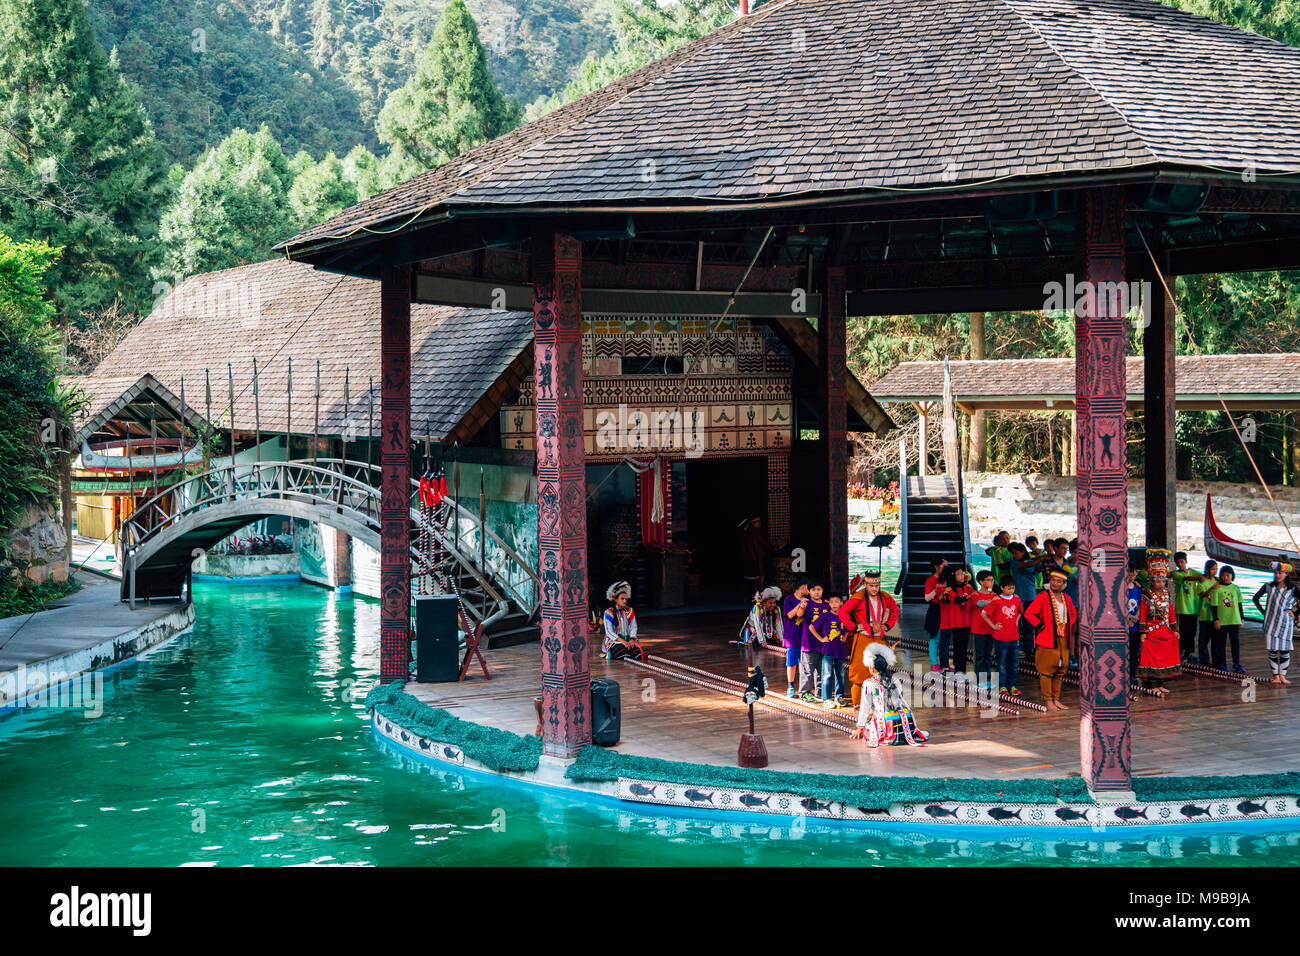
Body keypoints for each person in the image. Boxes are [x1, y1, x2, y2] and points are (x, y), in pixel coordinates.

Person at [838, 568, 899, 708]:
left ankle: (877, 703)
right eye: (871, 586)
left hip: (878, 639)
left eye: (877, 585)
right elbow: (843, 612)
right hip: (863, 639)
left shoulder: (884, 597)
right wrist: (853, 627)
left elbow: (895, 609)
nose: (874, 589)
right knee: (859, 672)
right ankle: (858, 704)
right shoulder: (858, 597)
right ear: (866, 584)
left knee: (879, 672)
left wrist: (888, 625)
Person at [851, 642, 929, 747]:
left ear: (873, 668)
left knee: (868, 730)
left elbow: (865, 706)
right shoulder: (895, 680)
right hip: (906, 720)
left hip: (888, 724)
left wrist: (860, 726)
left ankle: (885, 734)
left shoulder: (868, 684)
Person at [1023, 567, 1077, 711]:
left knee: (1060, 670)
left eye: (1058, 581)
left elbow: (1073, 613)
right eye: (1053, 580)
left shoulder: (1067, 598)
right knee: (1047, 671)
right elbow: (1029, 614)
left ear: (1064, 584)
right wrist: (1040, 625)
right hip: (1047, 638)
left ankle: (1056, 699)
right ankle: (1048, 701)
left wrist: (1065, 625)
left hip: (1063, 638)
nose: (1055, 583)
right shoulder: (1042, 596)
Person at [1136, 548, 1180, 695]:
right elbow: (1143, 614)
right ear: (1151, 581)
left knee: (1164, 658)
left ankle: (1160, 683)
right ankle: (1152, 684)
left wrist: (1175, 630)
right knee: (1151, 658)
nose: (1161, 583)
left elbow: (1171, 613)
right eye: (1158, 581)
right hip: (1152, 630)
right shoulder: (1146, 595)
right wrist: (1142, 632)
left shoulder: (1168, 594)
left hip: (1165, 630)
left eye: (1162, 580)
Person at [1254, 561, 1300, 685]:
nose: (1277, 575)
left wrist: (1295, 614)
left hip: (1286, 623)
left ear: (1286, 574)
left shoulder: (1292, 589)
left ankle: (1283, 676)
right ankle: (1275, 676)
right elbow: (1255, 598)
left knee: (1285, 651)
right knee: (1273, 651)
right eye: (1275, 573)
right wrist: (1263, 612)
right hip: (1271, 623)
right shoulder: (1269, 586)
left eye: (1280, 573)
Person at [981, 575, 1023, 696]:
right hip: (1001, 637)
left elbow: (1020, 611)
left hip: (1014, 636)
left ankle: (1012, 685)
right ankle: (1002, 686)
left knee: (1014, 662)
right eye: (1009, 588)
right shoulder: (997, 600)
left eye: (1013, 588)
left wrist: (1016, 621)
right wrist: (993, 626)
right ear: (1002, 588)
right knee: (1001, 662)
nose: (1011, 591)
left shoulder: (1016, 599)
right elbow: (984, 613)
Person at [810, 593, 849, 705]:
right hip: (828, 650)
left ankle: (839, 697)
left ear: (841, 603)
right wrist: (821, 639)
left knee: (840, 675)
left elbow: (848, 627)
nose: (834, 604)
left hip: (840, 650)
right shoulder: (825, 615)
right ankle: (826, 698)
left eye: (836, 601)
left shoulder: (844, 616)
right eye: (831, 602)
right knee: (827, 674)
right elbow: (811, 627)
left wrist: (845, 637)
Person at [1206, 565, 1245, 673]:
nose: (1225, 577)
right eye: (1223, 575)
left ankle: (1236, 664)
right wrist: (1216, 619)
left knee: (1235, 643)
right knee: (1221, 644)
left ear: (1232, 576)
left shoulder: (1236, 588)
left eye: (1228, 575)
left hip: (1234, 620)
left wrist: (1242, 619)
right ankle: (1222, 664)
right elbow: (1214, 606)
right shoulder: (1217, 589)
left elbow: (1240, 604)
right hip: (1222, 621)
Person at [1010, 542, 1045, 659]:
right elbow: (1029, 565)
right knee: (1017, 625)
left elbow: (1040, 567)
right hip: (1019, 598)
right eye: (1013, 553)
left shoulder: (1031, 563)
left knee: (1029, 625)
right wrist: (1041, 557)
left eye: (1016, 553)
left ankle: (1029, 648)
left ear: (1023, 552)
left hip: (1031, 597)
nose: (1014, 555)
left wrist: (1043, 558)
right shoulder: (1014, 563)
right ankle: (1017, 648)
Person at [937, 565, 974, 675]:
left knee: (963, 649)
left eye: (962, 573)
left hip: (967, 622)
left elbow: (976, 599)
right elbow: (957, 599)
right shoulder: (949, 590)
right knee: (957, 648)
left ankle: (962, 671)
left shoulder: (968, 588)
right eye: (959, 574)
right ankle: (954, 669)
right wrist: (970, 596)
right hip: (955, 623)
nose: (963, 575)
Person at [1168, 552, 1203, 663]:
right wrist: (1198, 578)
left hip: (1193, 608)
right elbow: (1188, 578)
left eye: (1182, 562)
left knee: (1192, 632)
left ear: (1186, 561)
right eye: (1178, 563)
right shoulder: (1176, 574)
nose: (1180, 564)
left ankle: (1189, 653)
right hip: (1181, 609)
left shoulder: (1193, 571)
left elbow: (1203, 577)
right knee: (1181, 631)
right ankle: (1179, 653)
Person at [782, 577, 811, 697]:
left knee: (803, 663)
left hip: (804, 636)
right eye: (808, 587)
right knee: (791, 663)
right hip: (792, 636)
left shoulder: (809, 600)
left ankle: (803, 687)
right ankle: (790, 686)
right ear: (802, 587)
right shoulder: (789, 599)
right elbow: (789, 615)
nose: (809, 590)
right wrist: (800, 604)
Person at [969, 570, 998, 690]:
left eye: (992, 580)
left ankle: (987, 679)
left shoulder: (994, 595)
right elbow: (980, 604)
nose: (991, 582)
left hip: (990, 629)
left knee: (988, 656)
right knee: (980, 656)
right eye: (989, 580)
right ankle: (979, 679)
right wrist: (993, 601)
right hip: (978, 629)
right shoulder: (975, 594)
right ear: (981, 582)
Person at [799, 580, 827, 701]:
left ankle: (819, 693)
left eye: (819, 590)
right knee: (808, 671)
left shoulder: (826, 605)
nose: (816, 592)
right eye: (813, 590)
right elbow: (799, 614)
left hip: (823, 643)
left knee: (821, 670)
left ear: (822, 591)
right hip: (809, 643)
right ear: (809, 591)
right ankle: (805, 693)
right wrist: (801, 607)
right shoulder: (806, 603)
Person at [602, 581, 644, 660]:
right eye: (622, 598)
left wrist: (632, 639)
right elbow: (609, 631)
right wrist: (622, 641)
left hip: (628, 639)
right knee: (623, 653)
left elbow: (633, 627)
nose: (625, 601)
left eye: (625, 599)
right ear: (615, 599)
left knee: (637, 654)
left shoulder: (629, 611)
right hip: (615, 641)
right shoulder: (608, 613)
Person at [922, 556, 947, 667]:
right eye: (944, 566)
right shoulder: (931, 580)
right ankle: (934, 663)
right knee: (935, 638)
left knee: (944, 639)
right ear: (936, 567)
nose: (946, 568)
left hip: (946, 610)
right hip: (936, 610)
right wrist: (935, 590)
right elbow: (927, 598)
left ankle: (944, 663)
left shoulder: (946, 579)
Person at [1195, 559, 1221, 665]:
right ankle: (1204, 660)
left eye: (1216, 569)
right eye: (1212, 569)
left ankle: (1216, 661)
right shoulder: (1202, 582)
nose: (1214, 571)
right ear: (1207, 570)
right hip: (1205, 614)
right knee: (1204, 640)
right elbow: (1202, 594)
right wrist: (1212, 588)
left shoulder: (1218, 581)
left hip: (1215, 615)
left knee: (1215, 640)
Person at [738, 516, 773, 590]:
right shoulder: (756, 531)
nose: (760, 524)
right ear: (754, 523)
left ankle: (747, 594)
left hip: (747, 557)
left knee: (748, 576)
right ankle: (756, 593)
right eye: (758, 522)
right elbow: (763, 543)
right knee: (758, 576)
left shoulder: (747, 532)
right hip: (755, 557)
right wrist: (773, 547)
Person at [1124, 560, 1143, 687]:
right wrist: (1129, 618)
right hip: (1125, 625)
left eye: (1134, 574)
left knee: (1134, 651)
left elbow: (1140, 604)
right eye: (1129, 574)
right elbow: (1119, 606)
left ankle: (1132, 674)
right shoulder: (1121, 589)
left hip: (1135, 625)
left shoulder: (1137, 588)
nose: (1132, 576)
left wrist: (1136, 617)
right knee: (1125, 652)